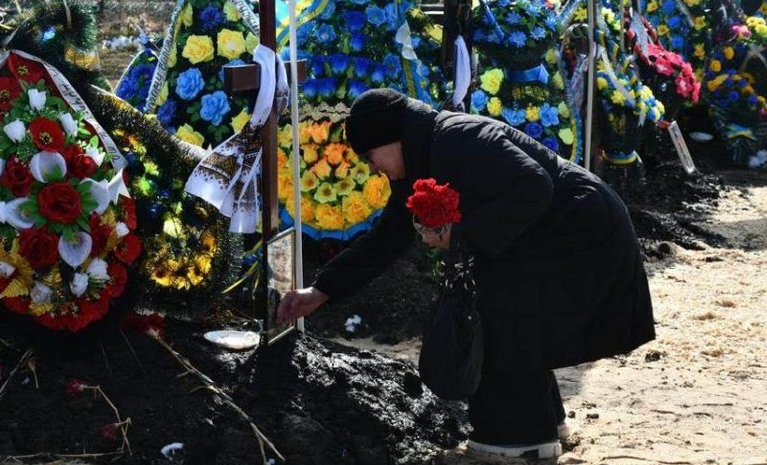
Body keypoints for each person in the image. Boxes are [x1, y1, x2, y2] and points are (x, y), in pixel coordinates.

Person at [276, 89, 655, 459]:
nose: (372, 168)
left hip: (584, 231)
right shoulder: (423, 155)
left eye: (370, 155)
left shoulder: (459, 139)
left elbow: (534, 186)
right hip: (556, 234)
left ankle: (519, 438)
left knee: (495, 309)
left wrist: (460, 235)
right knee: (500, 303)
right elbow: (388, 238)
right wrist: (321, 291)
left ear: (391, 138)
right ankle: (540, 425)